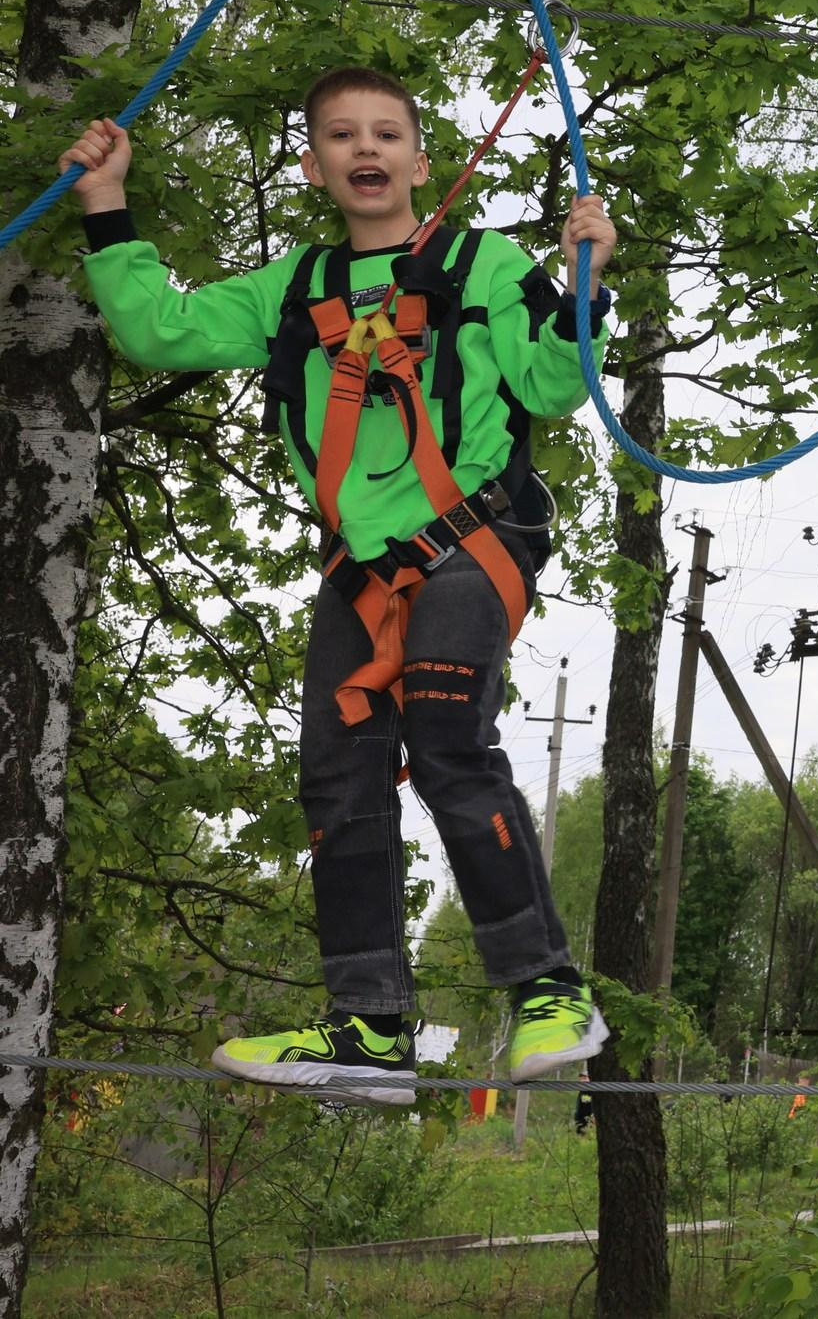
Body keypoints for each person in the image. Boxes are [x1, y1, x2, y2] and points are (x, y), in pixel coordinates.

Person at [61, 67, 617, 1105]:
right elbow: (158, 330)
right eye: (342, 136)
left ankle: (548, 990)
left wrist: (584, 283)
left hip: (473, 536)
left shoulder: (482, 265)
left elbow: (551, 384)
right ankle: (370, 1025)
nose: (366, 149)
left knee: (446, 736)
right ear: (315, 167)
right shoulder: (295, 289)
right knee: (336, 770)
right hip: (362, 567)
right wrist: (105, 200)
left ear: (420, 159)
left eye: (386, 134)